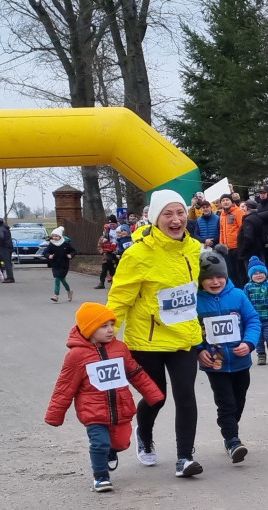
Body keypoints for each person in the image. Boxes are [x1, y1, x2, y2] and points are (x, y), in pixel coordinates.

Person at [107, 189, 205, 478]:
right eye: (168, 214)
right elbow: (120, 299)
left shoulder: (194, 249)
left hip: (184, 338)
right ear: (154, 218)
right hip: (147, 341)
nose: (176, 220)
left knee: (186, 395)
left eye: (180, 213)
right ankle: (144, 433)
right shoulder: (137, 254)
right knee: (157, 397)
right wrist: (106, 336)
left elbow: (202, 291)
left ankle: (185, 457)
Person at [45, 303, 164, 493]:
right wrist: (55, 415)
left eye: (111, 324)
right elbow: (64, 387)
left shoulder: (120, 349)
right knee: (99, 442)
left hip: (121, 408)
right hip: (93, 411)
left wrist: (154, 394)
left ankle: (111, 452)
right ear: (89, 329)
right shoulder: (76, 356)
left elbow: (136, 373)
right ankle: (101, 476)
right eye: (103, 326)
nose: (110, 330)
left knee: (121, 442)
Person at [196, 247, 261, 463]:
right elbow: (190, 329)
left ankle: (230, 429)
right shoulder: (196, 301)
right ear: (200, 280)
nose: (215, 282)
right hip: (215, 364)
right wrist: (199, 349)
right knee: (226, 403)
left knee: (239, 400)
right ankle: (232, 440)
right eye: (209, 278)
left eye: (219, 276)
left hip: (241, 361)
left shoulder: (238, 295)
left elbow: (253, 320)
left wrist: (249, 343)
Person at [218, 193, 246, 287]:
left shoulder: (238, 212)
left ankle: (243, 291)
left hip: (237, 247)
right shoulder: (222, 215)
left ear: (232, 201)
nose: (225, 202)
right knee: (230, 272)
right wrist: (221, 245)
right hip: (226, 249)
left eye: (227, 200)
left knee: (240, 272)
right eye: (223, 200)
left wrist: (242, 245)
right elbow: (221, 231)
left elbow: (242, 229)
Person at [44, 227, 76, 303]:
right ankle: (69, 291)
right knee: (62, 279)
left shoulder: (65, 244)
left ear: (60, 236)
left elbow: (73, 251)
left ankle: (56, 295)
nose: (55, 237)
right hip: (55, 264)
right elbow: (45, 252)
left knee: (57, 279)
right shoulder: (51, 244)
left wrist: (70, 255)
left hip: (64, 265)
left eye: (56, 236)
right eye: (53, 236)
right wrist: (49, 256)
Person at [96, 224, 119, 289]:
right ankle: (101, 283)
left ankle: (114, 283)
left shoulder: (115, 237)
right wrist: (102, 252)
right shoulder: (102, 238)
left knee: (113, 270)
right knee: (104, 270)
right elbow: (99, 246)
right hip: (105, 257)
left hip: (113, 256)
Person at [0, 218, 14, 283]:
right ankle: (9, 276)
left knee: (6, 262)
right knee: (8, 262)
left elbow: (1, 237)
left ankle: (10, 277)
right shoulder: (6, 228)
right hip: (10, 246)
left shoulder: (1, 229)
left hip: (5, 247)